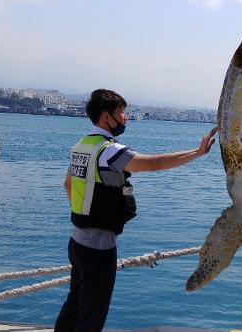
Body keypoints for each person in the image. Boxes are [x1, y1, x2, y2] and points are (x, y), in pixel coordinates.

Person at [55, 89, 218, 332]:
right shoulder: (108, 151)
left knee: (74, 306)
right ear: (105, 117)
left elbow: (68, 184)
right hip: (99, 247)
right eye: (121, 112)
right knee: (92, 314)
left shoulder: (81, 146)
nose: (125, 117)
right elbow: (155, 163)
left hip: (77, 242)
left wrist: (85, 213)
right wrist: (197, 152)